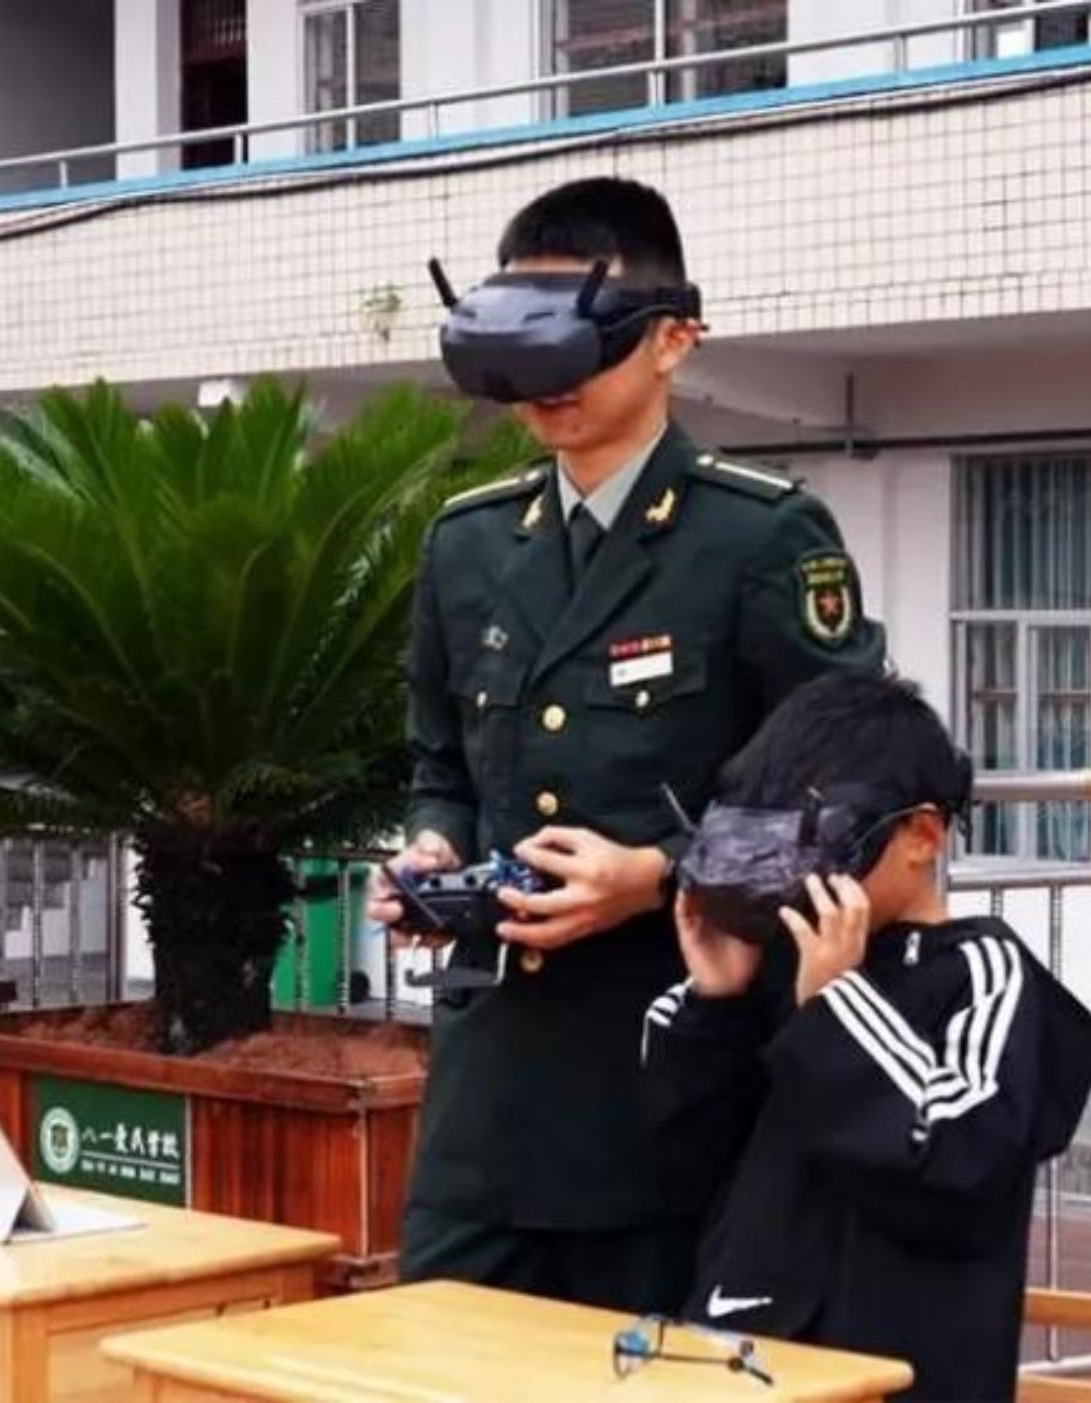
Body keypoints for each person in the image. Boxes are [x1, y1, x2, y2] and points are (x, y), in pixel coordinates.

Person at [370, 175, 890, 1313]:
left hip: (671, 1073)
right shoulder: (467, 543)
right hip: (491, 1086)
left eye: (580, 342)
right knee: (442, 1362)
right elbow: (441, 766)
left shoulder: (757, 536)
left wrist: (658, 875)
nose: (549, 380)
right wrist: (430, 852)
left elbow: (855, 788)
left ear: (672, 340)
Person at [643, 671, 1091, 1402]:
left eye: (825, 840)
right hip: (738, 1361)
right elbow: (683, 1166)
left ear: (922, 834)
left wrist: (835, 1007)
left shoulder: (984, 972)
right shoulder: (778, 964)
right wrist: (716, 1004)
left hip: (902, 1373)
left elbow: (959, 1164)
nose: (795, 873)